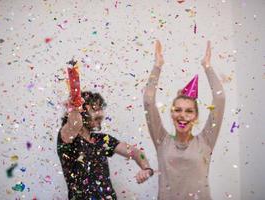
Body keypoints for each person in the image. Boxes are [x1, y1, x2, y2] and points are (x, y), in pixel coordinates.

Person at [143, 40, 225, 200]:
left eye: (189, 111)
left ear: (196, 116)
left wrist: (207, 66)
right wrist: (157, 66)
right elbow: (148, 100)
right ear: (172, 113)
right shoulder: (161, 140)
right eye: (178, 110)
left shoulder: (206, 141)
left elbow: (220, 98)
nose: (182, 115)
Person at [57, 91, 154, 200]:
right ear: (81, 112)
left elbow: (137, 153)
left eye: (101, 109)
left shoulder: (102, 140)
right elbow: (75, 124)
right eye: (95, 109)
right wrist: (74, 109)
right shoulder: (67, 137)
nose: (101, 114)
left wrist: (147, 169)